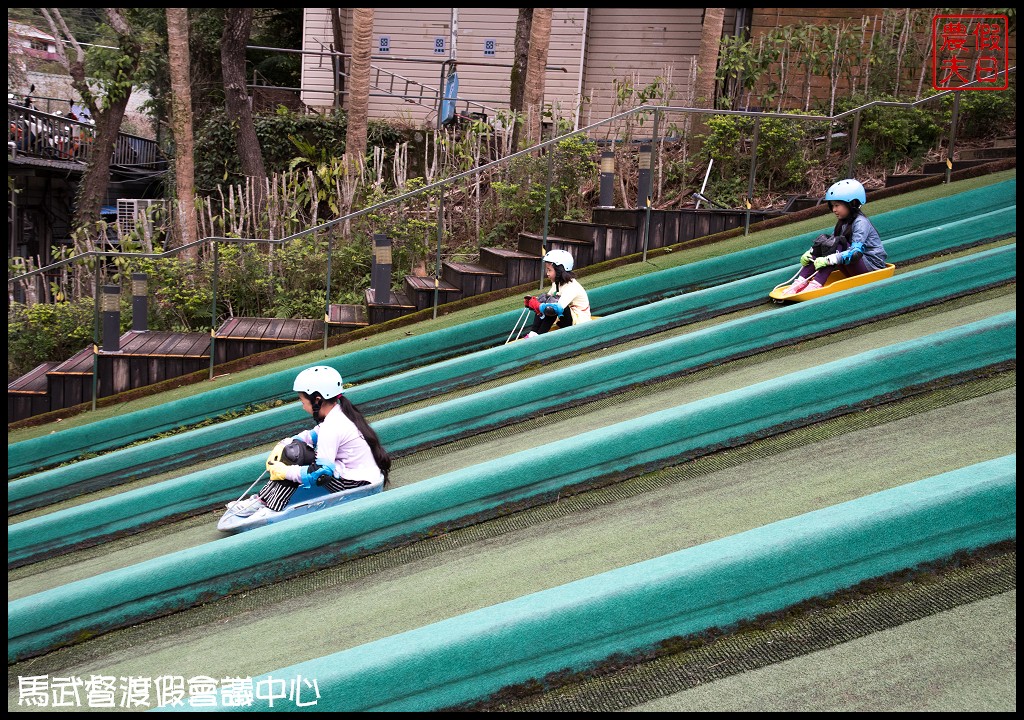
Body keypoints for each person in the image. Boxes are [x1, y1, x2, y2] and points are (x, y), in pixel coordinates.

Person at [230, 365, 391, 519]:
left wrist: (285, 471)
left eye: (302, 402)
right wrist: (285, 443)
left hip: (355, 485)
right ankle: (261, 500)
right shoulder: (339, 413)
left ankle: (272, 508)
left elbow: (320, 473)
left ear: (317, 400)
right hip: (358, 476)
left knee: (296, 457)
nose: (302, 407)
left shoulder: (333, 426)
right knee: (293, 450)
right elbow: (311, 435)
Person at [783, 178, 888, 296]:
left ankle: (816, 284)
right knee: (828, 242)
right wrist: (810, 253)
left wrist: (829, 259)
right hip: (856, 265)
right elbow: (828, 243)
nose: (834, 210)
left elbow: (856, 252)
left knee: (837, 243)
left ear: (852, 203)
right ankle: (800, 282)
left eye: (837, 205)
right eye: (832, 206)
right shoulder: (843, 223)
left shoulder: (861, 222)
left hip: (873, 268)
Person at [521, 249, 592, 339]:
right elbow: (546, 299)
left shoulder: (571, 286)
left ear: (559, 270)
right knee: (544, 299)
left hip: (580, 322)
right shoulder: (556, 283)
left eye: (549, 270)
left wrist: (539, 306)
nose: (547, 273)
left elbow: (556, 308)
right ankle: (533, 333)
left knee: (552, 305)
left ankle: (539, 336)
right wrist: (533, 302)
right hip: (565, 320)